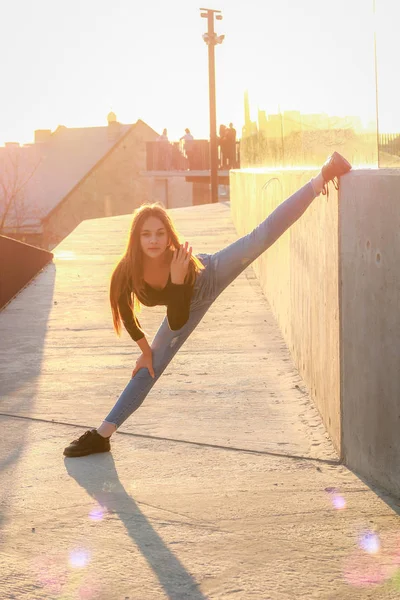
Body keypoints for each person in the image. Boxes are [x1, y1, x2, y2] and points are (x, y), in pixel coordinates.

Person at [63, 151, 352, 458]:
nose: (154, 240)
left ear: (168, 235)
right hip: (185, 304)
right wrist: (145, 350)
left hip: (210, 273)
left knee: (259, 237)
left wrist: (176, 279)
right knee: (149, 368)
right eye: (146, 234)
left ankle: (321, 176)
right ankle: (101, 435)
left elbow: (176, 320)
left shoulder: (181, 264)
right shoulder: (126, 270)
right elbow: (125, 310)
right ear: (136, 238)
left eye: (160, 233)